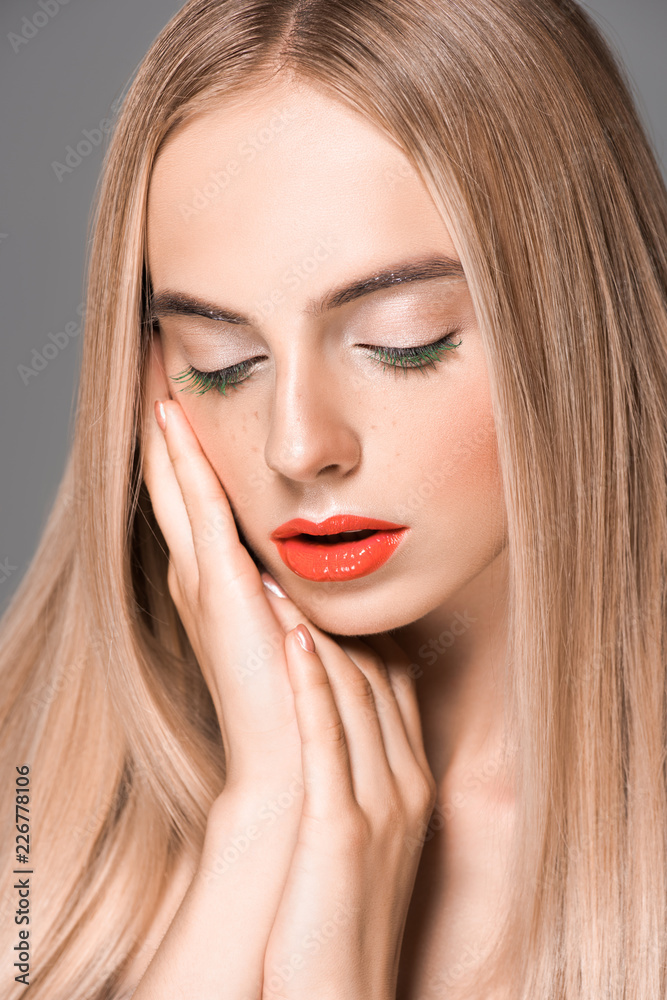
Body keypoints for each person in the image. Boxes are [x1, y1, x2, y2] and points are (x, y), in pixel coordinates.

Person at [1, 0, 666, 997]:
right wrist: (262, 822)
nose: (299, 446)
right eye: (223, 364)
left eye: (404, 340)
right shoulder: (25, 796)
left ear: (576, 323)